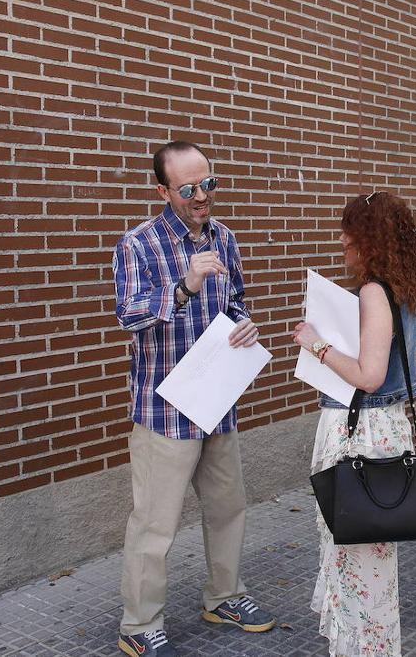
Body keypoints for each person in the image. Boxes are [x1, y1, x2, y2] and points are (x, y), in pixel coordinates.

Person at [112, 141, 275, 657]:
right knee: (154, 524)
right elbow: (129, 315)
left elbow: (237, 299)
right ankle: (139, 625)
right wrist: (183, 287)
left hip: (218, 403)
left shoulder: (225, 239)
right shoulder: (138, 245)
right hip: (164, 413)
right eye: (188, 188)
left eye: (209, 183)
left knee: (228, 507)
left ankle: (224, 596)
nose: (202, 195)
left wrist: (244, 324)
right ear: (163, 190)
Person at [293, 191, 416, 657]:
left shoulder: (374, 291)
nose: (342, 239)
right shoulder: (400, 287)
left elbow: (369, 376)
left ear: (368, 237)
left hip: (360, 433)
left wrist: (316, 345)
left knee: (357, 559)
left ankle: (364, 650)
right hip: (384, 428)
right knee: (369, 561)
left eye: (349, 229)